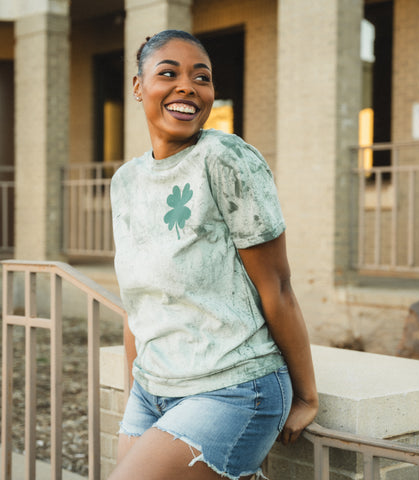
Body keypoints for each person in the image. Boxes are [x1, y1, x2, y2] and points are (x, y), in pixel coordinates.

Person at [108, 30, 318, 480]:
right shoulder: (126, 182)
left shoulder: (225, 158)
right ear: (138, 86)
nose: (187, 86)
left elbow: (277, 285)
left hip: (235, 386)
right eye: (168, 73)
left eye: (200, 78)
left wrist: (306, 396)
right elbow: (138, 304)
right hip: (153, 390)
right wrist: (137, 392)